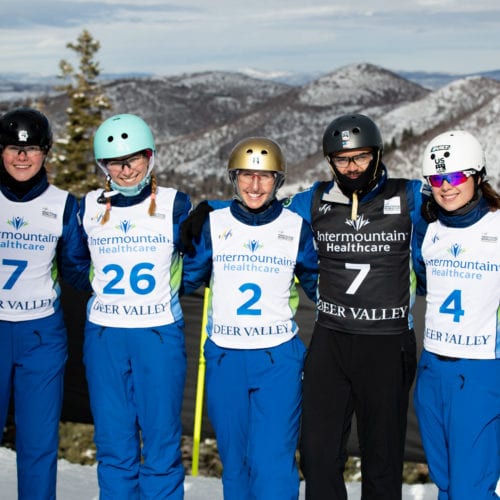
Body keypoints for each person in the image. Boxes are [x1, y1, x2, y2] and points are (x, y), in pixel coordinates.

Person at [283, 113, 424, 500]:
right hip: (331, 339)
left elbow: (458, 206)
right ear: (330, 161)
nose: (352, 167)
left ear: (377, 154)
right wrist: (206, 213)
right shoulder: (312, 200)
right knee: (317, 453)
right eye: (342, 159)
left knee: (382, 456)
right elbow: (262, 210)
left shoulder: (408, 195)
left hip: (386, 339)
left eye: (360, 157)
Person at [182, 137, 318, 500]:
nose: (255, 185)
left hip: (277, 358)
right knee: (236, 462)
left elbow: (320, 286)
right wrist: (177, 240)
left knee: (272, 461)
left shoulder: (295, 228)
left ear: (279, 180)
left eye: (265, 177)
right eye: (246, 175)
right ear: (233, 178)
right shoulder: (213, 224)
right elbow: (186, 279)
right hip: (226, 355)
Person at [80, 113, 191, 499]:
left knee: (160, 441)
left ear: (150, 157)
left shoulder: (175, 205)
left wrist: (170, 290)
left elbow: (194, 264)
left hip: (157, 333)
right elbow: (76, 266)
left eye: (134, 159)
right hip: (106, 335)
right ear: (103, 165)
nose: (125, 170)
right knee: (113, 441)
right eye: (114, 161)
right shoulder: (88, 207)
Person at [0, 107, 90, 500]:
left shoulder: (63, 205)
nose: (22, 157)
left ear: (46, 152)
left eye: (32, 148)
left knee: (37, 444)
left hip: (41, 334)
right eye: (13, 148)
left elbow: (75, 270)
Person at [413, 130, 500, 500]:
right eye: (436, 179)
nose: (446, 187)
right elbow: (422, 282)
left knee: (471, 490)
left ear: (477, 175)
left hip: (480, 368)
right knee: (446, 482)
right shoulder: (429, 228)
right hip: (433, 368)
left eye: (455, 176)